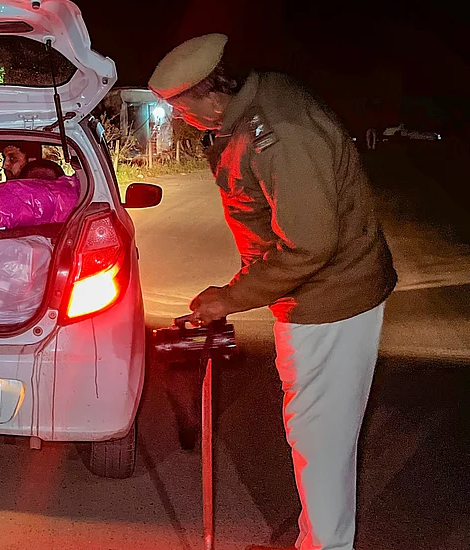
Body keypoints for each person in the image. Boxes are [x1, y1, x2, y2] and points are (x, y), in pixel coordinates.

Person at [148, 34, 396, 550]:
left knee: (319, 439)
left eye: (178, 108)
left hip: (329, 301)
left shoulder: (278, 134)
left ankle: (326, 545)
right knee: (319, 434)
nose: (178, 119)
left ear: (204, 95)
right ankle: (317, 539)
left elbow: (309, 246)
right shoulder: (258, 104)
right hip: (322, 292)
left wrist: (230, 296)